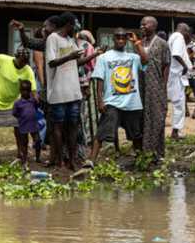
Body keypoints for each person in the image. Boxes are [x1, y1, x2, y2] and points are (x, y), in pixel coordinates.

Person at [90, 28, 144, 161]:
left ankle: (142, 160)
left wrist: (137, 42)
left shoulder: (134, 57)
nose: (120, 40)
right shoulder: (104, 57)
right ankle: (90, 161)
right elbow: (99, 79)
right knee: (102, 132)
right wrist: (100, 101)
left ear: (126, 40)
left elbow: (146, 60)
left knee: (136, 135)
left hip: (132, 103)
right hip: (112, 102)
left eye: (123, 38)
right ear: (113, 39)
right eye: (118, 37)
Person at [45, 13, 89, 169]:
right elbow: (52, 62)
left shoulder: (71, 40)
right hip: (58, 92)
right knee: (58, 127)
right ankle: (59, 161)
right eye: (74, 25)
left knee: (73, 126)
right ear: (68, 24)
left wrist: (94, 54)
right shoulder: (53, 39)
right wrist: (69, 56)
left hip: (74, 92)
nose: (75, 28)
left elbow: (77, 62)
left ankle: (71, 159)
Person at [0, 47, 37, 160]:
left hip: (14, 101)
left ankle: (20, 152)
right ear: (16, 58)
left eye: (26, 61)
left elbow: (33, 88)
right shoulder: (4, 60)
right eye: (22, 60)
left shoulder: (27, 70)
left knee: (17, 126)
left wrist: (35, 101)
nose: (24, 63)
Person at [138, 16, 171, 160]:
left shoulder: (162, 43)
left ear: (153, 25)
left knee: (157, 117)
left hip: (156, 85)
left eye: (145, 24)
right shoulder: (140, 42)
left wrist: (163, 86)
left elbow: (166, 65)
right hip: (141, 85)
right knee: (143, 117)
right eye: (141, 24)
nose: (142, 26)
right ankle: (145, 150)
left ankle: (157, 152)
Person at [167, 23, 193, 139]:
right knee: (179, 105)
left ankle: (176, 130)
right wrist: (185, 66)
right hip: (176, 76)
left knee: (178, 104)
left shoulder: (174, 36)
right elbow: (176, 54)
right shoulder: (178, 37)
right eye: (188, 32)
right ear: (185, 30)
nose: (188, 35)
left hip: (176, 76)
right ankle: (175, 132)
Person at [12, 80, 42, 165]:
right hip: (23, 125)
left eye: (27, 90)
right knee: (24, 143)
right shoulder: (18, 103)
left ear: (30, 91)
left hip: (33, 125)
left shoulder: (33, 101)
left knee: (38, 140)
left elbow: (37, 107)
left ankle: (38, 157)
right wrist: (21, 117)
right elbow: (14, 113)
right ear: (20, 91)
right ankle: (24, 159)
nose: (25, 92)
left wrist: (37, 99)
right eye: (23, 90)